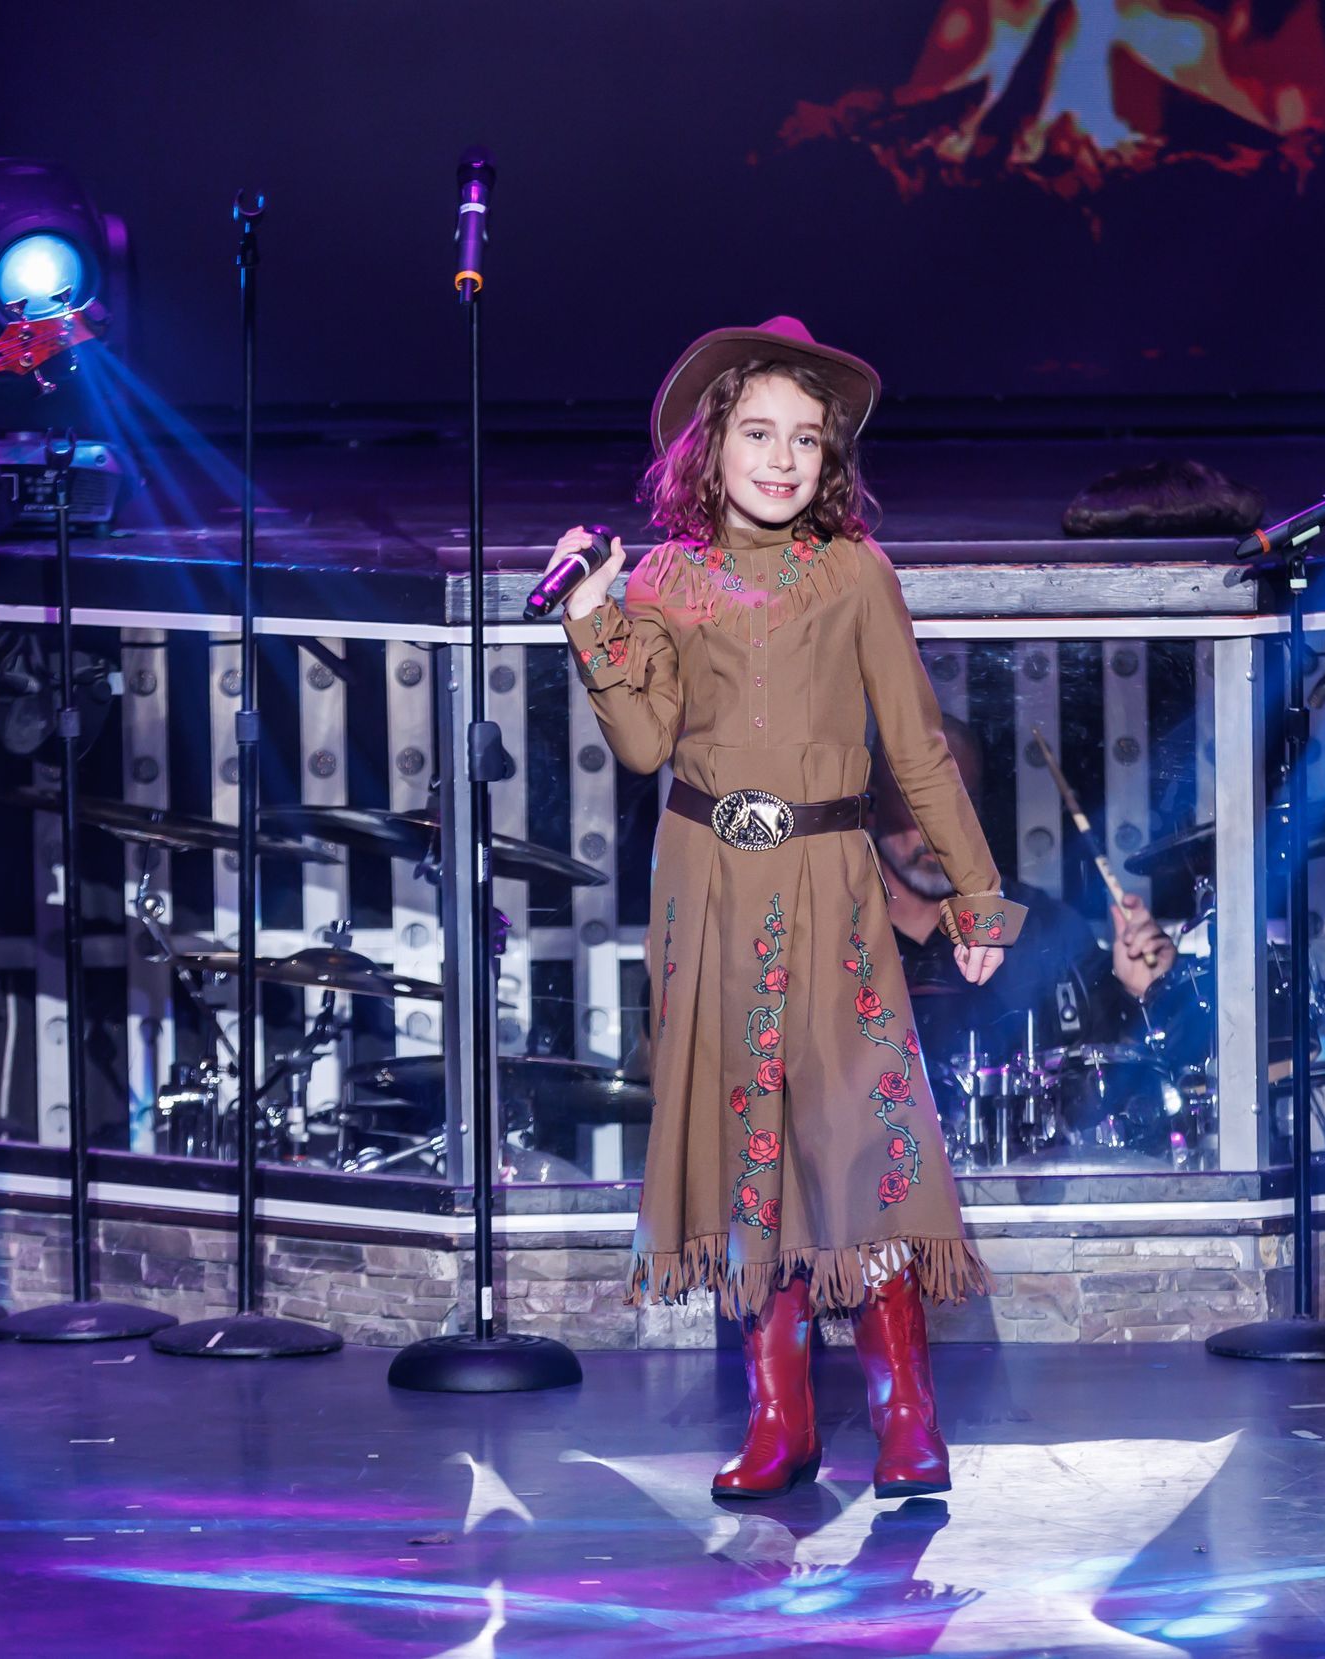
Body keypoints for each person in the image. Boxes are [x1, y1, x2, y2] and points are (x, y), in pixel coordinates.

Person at [544, 317, 1022, 1503]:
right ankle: (779, 1419)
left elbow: (914, 749)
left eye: (805, 439)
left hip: (829, 886)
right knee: (744, 1151)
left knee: (860, 1141)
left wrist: (977, 897)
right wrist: (591, 619)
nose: (782, 457)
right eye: (758, 432)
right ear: (712, 444)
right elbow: (649, 741)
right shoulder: (658, 581)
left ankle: (907, 1414)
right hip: (709, 887)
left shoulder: (853, 571)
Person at [870, 717, 1179, 1148]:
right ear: (871, 804)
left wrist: (1137, 995)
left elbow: (1107, 1097)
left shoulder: (1042, 927)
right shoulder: (835, 933)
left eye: (959, 801)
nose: (939, 828)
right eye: (916, 801)